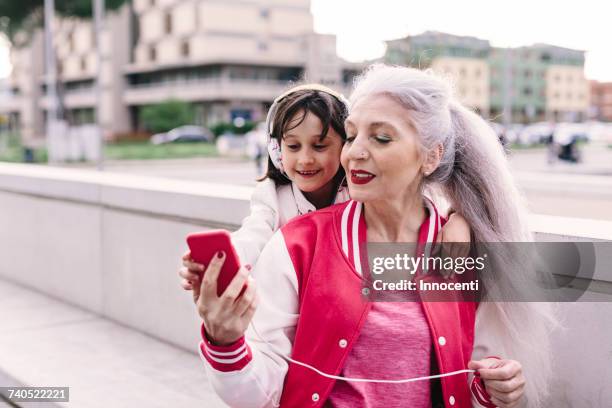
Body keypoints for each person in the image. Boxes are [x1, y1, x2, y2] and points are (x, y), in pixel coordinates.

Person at [193, 65, 558, 408]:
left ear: (431, 157)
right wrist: (226, 342)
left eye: (381, 138)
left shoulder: (463, 250)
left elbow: (479, 368)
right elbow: (257, 390)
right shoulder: (295, 245)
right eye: (351, 136)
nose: (355, 153)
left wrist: (497, 386)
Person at [179, 84, 472, 297]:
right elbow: (253, 234)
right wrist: (223, 261)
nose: (305, 159)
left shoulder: (360, 189)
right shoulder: (272, 196)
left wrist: (458, 222)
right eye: (293, 146)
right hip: (298, 306)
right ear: (275, 150)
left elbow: (425, 203)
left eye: (320, 146)